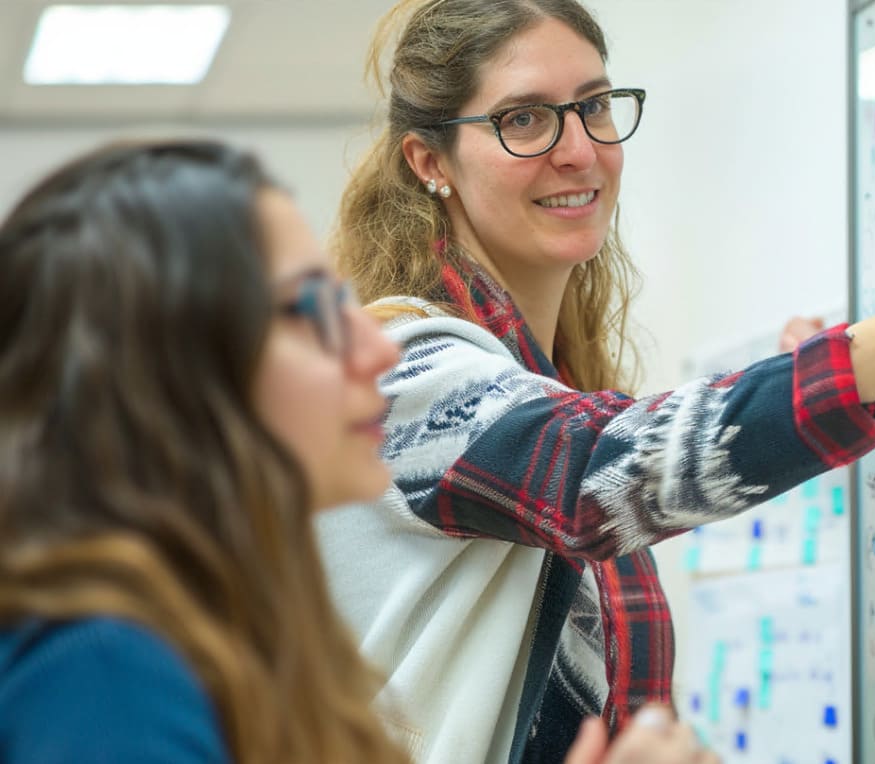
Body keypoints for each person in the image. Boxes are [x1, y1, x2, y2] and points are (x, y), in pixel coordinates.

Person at [320, 1, 875, 762]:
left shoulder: (546, 383)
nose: (579, 149)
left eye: (593, 106)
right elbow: (599, 473)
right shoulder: (399, 375)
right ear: (429, 161)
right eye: (524, 119)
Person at [0, 140, 715, 764]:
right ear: (172, 372)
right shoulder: (100, 672)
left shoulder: (242, 639)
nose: (374, 346)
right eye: (308, 310)